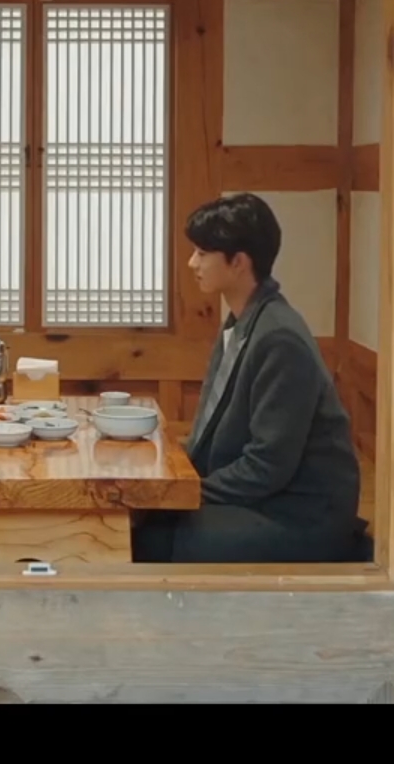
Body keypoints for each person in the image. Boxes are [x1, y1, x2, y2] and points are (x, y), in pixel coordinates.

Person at [133, 194, 370, 564]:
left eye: (202, 253)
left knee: (153, 539)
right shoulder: (243, 320)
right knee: (142, 520)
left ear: (238, 262)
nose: (192, 262)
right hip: (266, 499)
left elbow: (268, 465)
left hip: (299, 514)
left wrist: (187, 492)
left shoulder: (279, 338)